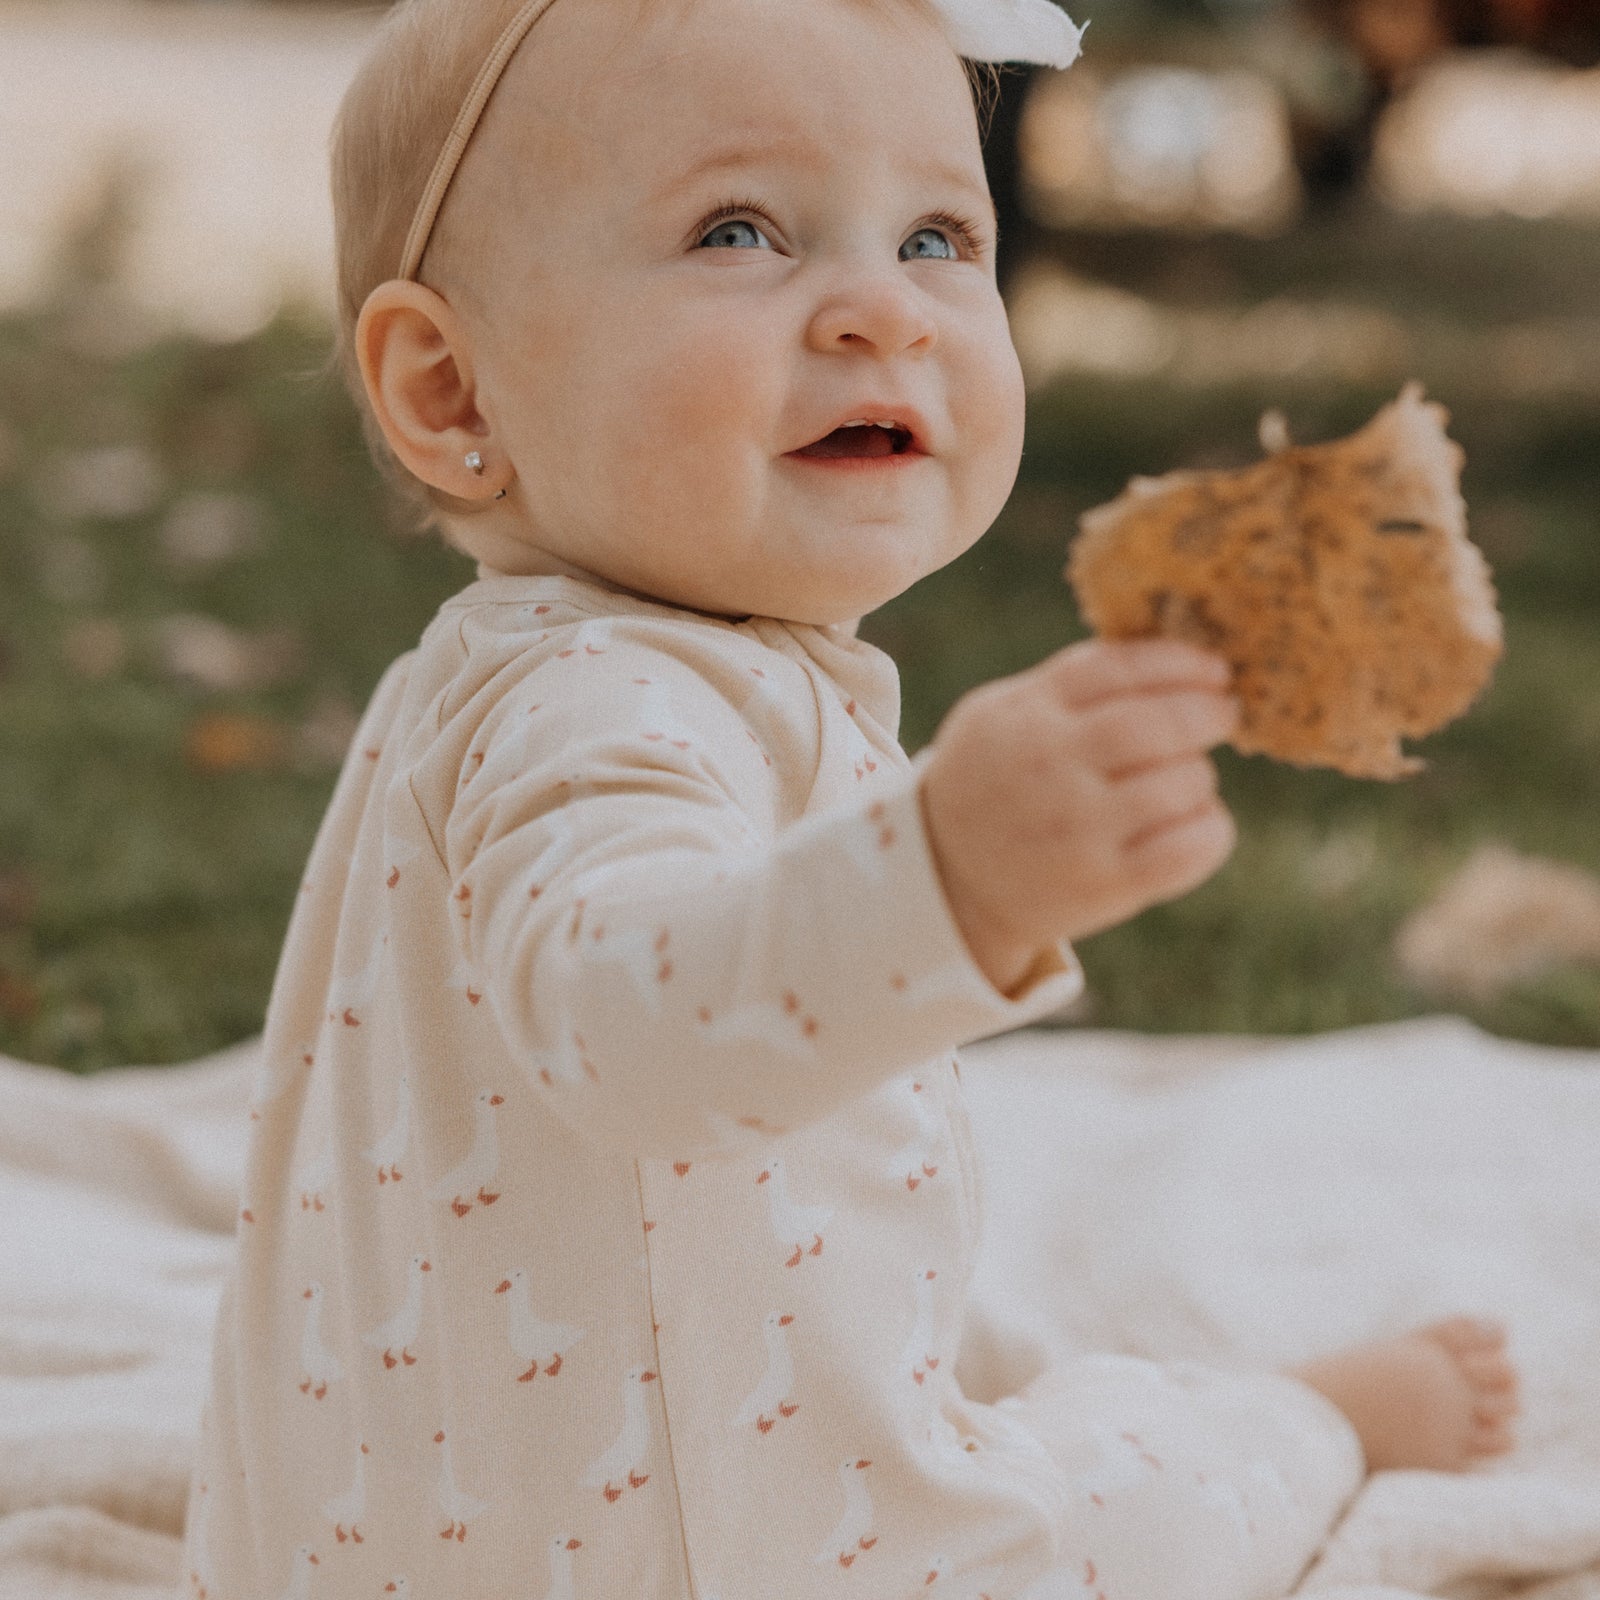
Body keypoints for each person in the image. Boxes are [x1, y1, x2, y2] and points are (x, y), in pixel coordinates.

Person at [177, 0, 1521, 1595]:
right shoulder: (596, 703)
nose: (883, 310)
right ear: (455, 391)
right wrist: (951, 877)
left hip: (390, 1534)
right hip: (715, 1557)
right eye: (739, 230)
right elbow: (625, 1022)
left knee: (953, 1351)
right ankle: (1313, 1422)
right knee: (1122, 1515)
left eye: (943, 235)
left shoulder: (527, 673)